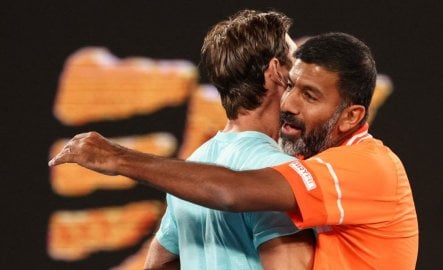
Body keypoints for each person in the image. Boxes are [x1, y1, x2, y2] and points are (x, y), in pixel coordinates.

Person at [49, 32, 419, 269]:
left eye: (310, 96)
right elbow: (164, 259)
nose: (289, 103)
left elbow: (232, 192)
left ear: (350, 116)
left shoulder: (368, 166)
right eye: (290, 85)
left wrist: (119, 158)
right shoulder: (294, 161)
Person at [145, 9, 316, 269]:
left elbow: (157, 264)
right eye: (295, 61)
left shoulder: (193, 166)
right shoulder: (277, 175)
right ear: (275, 71)